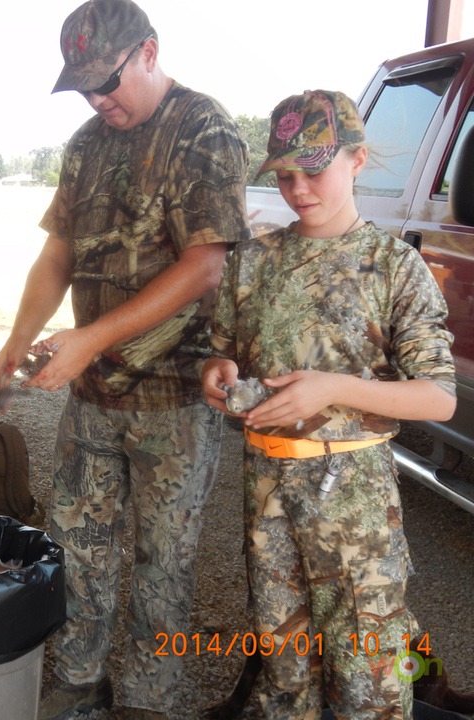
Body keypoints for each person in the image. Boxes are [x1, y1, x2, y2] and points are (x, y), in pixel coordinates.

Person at [0, 1, 250, 717]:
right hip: (94, 397)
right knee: (76, 547)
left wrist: (90, 339)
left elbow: (206, 268)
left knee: (164, 563)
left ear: (150, 52)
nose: (100, 99)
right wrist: (14, 343)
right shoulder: (85, 144)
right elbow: (58, 253)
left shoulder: (204, 128)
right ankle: (78, 682)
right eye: (85, 87)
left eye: (109, 81)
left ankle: (150, 699)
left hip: (175, 400)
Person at [201, 90, 456, 719]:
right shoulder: (254, 260)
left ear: (358, 160)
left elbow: (438, 397)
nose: (298, 189)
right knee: (285, 665)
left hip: (354, 498)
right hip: (267, 488)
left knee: (368, 671)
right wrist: (219, 372)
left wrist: (333, 387)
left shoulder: (393, 266)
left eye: (314, 170)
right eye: (284, 175)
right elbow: (225, 351)